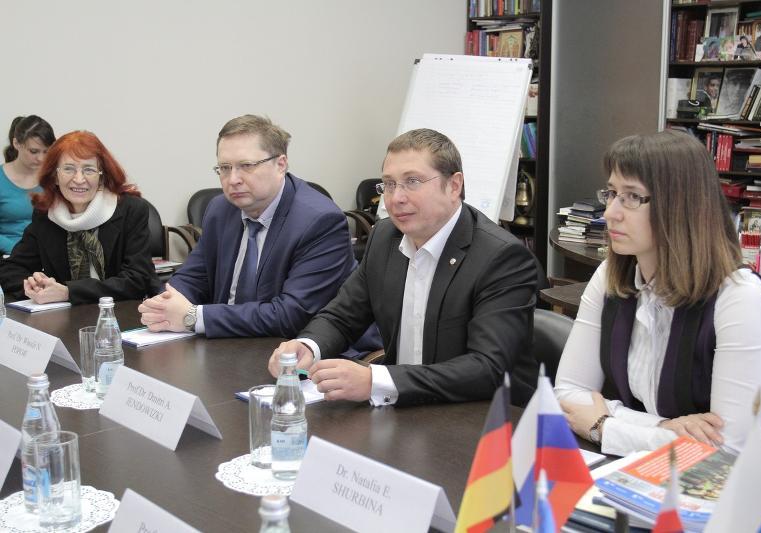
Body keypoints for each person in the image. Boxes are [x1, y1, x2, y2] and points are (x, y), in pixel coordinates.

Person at [554, 130, 761, 460]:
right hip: (650, 471)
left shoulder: (739, 296)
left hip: (742, 484)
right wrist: (664, 427)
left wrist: (605, 426)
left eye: (632, 197)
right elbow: (567, 394)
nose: (609, 213)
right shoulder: (611, 275)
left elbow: (728, 451)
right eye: (611, 193)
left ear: (680, 204)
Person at [268, 128, 539, 406]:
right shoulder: (385, 236)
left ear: (454, 186)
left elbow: (487, 369)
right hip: (405, 408)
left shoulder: (501, 258)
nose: (395, 198)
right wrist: (308, 346)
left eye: (412, 181)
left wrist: (376, 381)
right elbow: (342, 316)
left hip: (480, 415)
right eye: (388, 184)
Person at [138, 115, 357, 339]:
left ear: (280, 165)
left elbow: (292, 315)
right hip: (225, 342)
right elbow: (194, 277)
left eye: (246, 166)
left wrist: (194, 317)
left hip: (292, 347)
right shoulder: (220, 209)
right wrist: (163, 304)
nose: (233, 179)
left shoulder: (320, 221)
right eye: (225, 168)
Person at [0, 131, 159, 304]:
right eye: (68, 169)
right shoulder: (46, 213)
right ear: (55, 176)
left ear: (102, 176)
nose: (78, 179)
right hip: (65, 314)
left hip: (122, 312)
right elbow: (11, 269)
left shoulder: (131, 210)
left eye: (88, 170)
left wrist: (68, 292)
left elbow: (138, 279)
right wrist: (34, 286)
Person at [1, 116, 56, 255]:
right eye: (34, 151)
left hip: (46, 254)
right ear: (16, 143)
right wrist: (20, 251)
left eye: (46, 152)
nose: (41, 159)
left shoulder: (53, 178)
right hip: (9, 254)